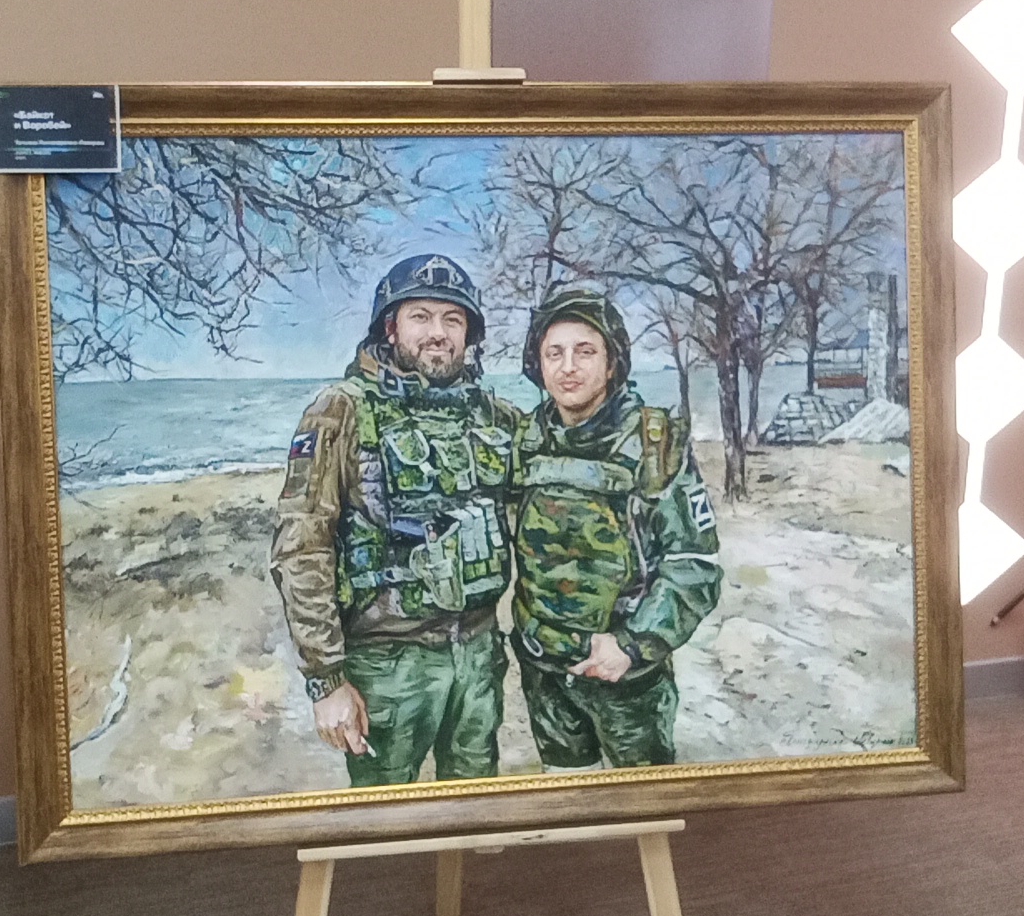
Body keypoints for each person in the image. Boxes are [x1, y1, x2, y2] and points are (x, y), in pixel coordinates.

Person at [269, 254, 520, 787]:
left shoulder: (492, 415)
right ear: (391, 327)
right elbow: (302, 544)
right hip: (386, 667)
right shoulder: (341, 410)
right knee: (385, 820)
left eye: (453, 319)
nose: (438, 333)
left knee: (476, 811)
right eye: (420, 317)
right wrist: (326, 679)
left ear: (468, 334)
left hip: (477, 654)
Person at [510, 288, 723, 769]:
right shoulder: (524, 440)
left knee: (643, 803)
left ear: (612, 364)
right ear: (538, 365)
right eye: (554, 353)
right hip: (544, 671)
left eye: (585, 351)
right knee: (567, 798)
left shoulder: (654, 445)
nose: (568, 367)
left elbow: (694, 564)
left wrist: (631, 645)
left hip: (628, 682)